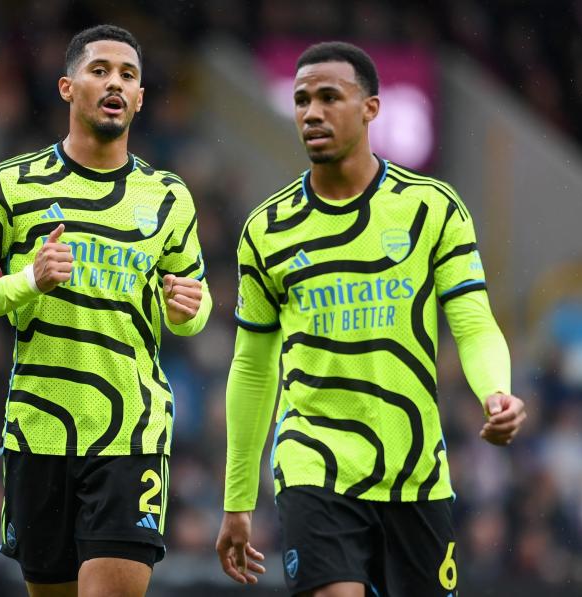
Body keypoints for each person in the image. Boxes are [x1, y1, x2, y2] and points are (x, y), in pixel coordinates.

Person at [215, 42, 526, 597]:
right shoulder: (268, 229)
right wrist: (237, 498)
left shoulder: (432, 208)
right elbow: (253, 367)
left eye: (329, 97)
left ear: (371, 108)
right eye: (302, 100)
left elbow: (474, 322)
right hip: (315, 466)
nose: (312, 112)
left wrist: (495, 392)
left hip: (416, 475)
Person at [0, 24, 210, 597]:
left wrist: (190, 310)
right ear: (66, 87)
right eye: (99, 70)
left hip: (130, 435)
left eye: (128, 75)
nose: (114, 83)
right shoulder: (8, 186)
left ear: (138, 98)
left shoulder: (167, 197)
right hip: (39, 434)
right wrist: (25, 281)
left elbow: (194, 302)